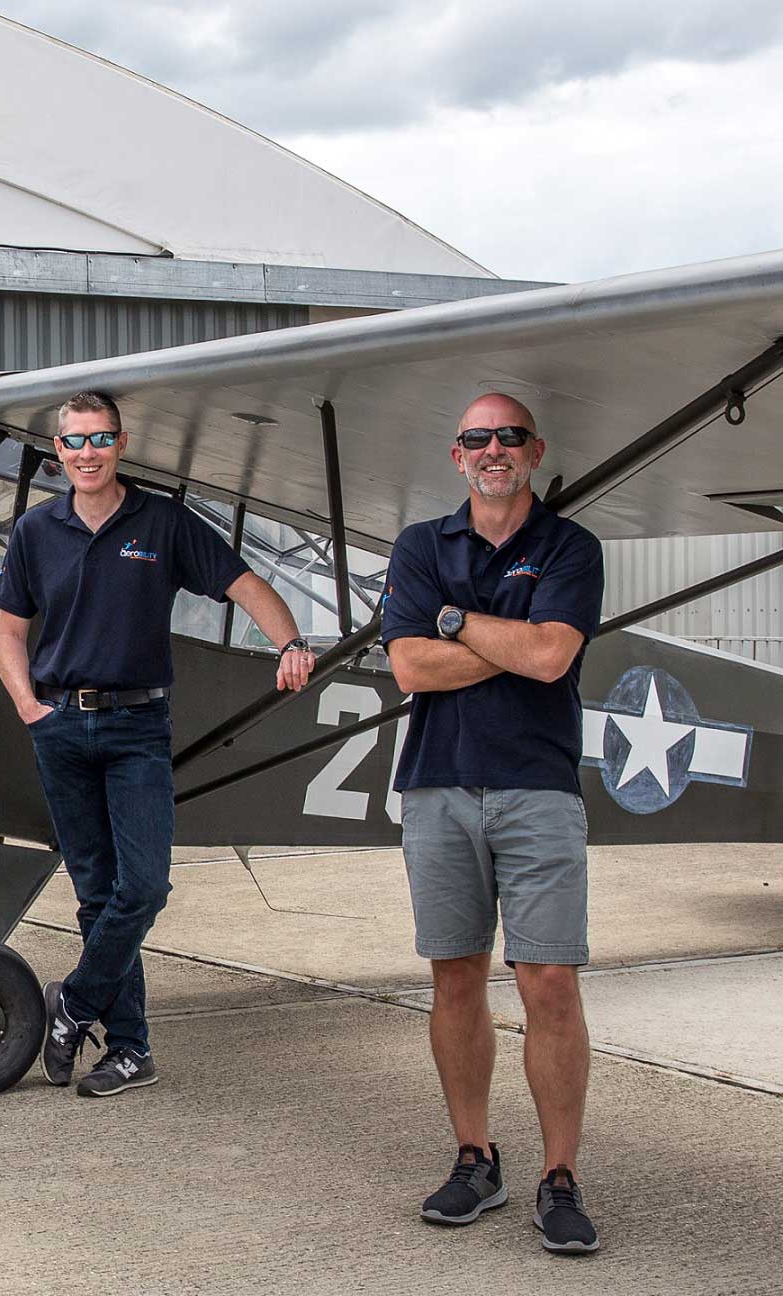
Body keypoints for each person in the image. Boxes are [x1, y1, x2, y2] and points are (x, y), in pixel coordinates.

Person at [0, 390, 314, 1098]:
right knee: (94, 894)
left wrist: (288, 639)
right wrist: (28, 705)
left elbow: (245, 583)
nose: (86, 453)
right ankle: (131, 1050)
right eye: (73, 442)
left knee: (142, 887)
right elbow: (10, 631)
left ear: (122, 442)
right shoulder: (36, 531)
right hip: (61, 728)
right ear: (58, 452)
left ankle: (73, 1005)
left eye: (99, 439)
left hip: (138, 726)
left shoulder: (162, 521)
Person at [382, 392, 605, 1254]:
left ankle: (560, 1175)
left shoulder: (569, 547)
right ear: (458, 455)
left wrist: (452, 621)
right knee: (456, 977)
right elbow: (409, 666)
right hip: (438, 785)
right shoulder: (418, 545)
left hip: (537, 788)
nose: (493, 449)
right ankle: (475, 1156)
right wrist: (505, 639)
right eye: (476, 437)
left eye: (509, 436)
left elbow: (553, 658)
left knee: (549, 982)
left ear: (534, 449)